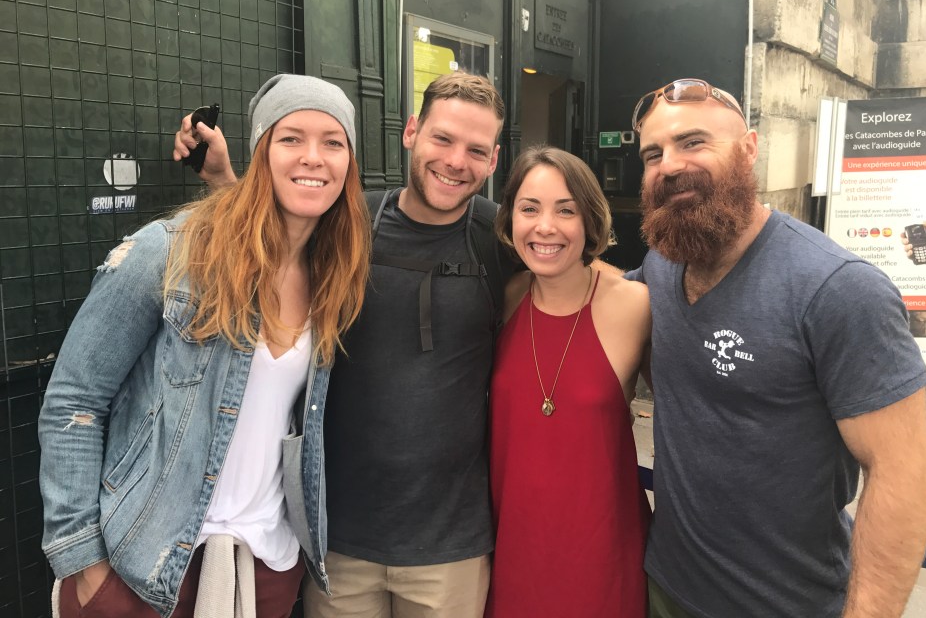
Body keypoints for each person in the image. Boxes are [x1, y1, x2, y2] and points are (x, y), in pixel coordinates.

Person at [173, 71, 507, 618]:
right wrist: (223, 180)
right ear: (411, 132)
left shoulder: (500, 239)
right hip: (335, 536)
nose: (455, 161)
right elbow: (270, 239)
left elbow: (566, 276)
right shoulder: (348, 221)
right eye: (442, 139)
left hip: (450, 546)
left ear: (493, 161)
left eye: (476, 150)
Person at [39, 74, 371, 618]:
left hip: (264, 567)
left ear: (349, 163)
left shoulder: (332, 274)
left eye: (332, 142)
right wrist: (84, 565)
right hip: (143, 565)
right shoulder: (170, 251)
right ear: (262, 150)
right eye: (291, 138)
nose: (313, 157)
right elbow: (74, 400)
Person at [626, 78, 926, 618]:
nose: (669, 165)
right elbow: (597, 299)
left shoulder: (839, 289)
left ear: (749, 149)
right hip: (666, 586)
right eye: (654, 153)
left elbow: (901, 476)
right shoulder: (662, 264)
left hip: (786, 604)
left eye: (693, 142)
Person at [484, 146, 651, 617]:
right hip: (513, 545)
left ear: (590, 220)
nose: (545, 227)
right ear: (509, 219)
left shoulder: (635, 305)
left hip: (603, 550)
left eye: (565, 210)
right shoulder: (505, 298)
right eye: (529, 209)